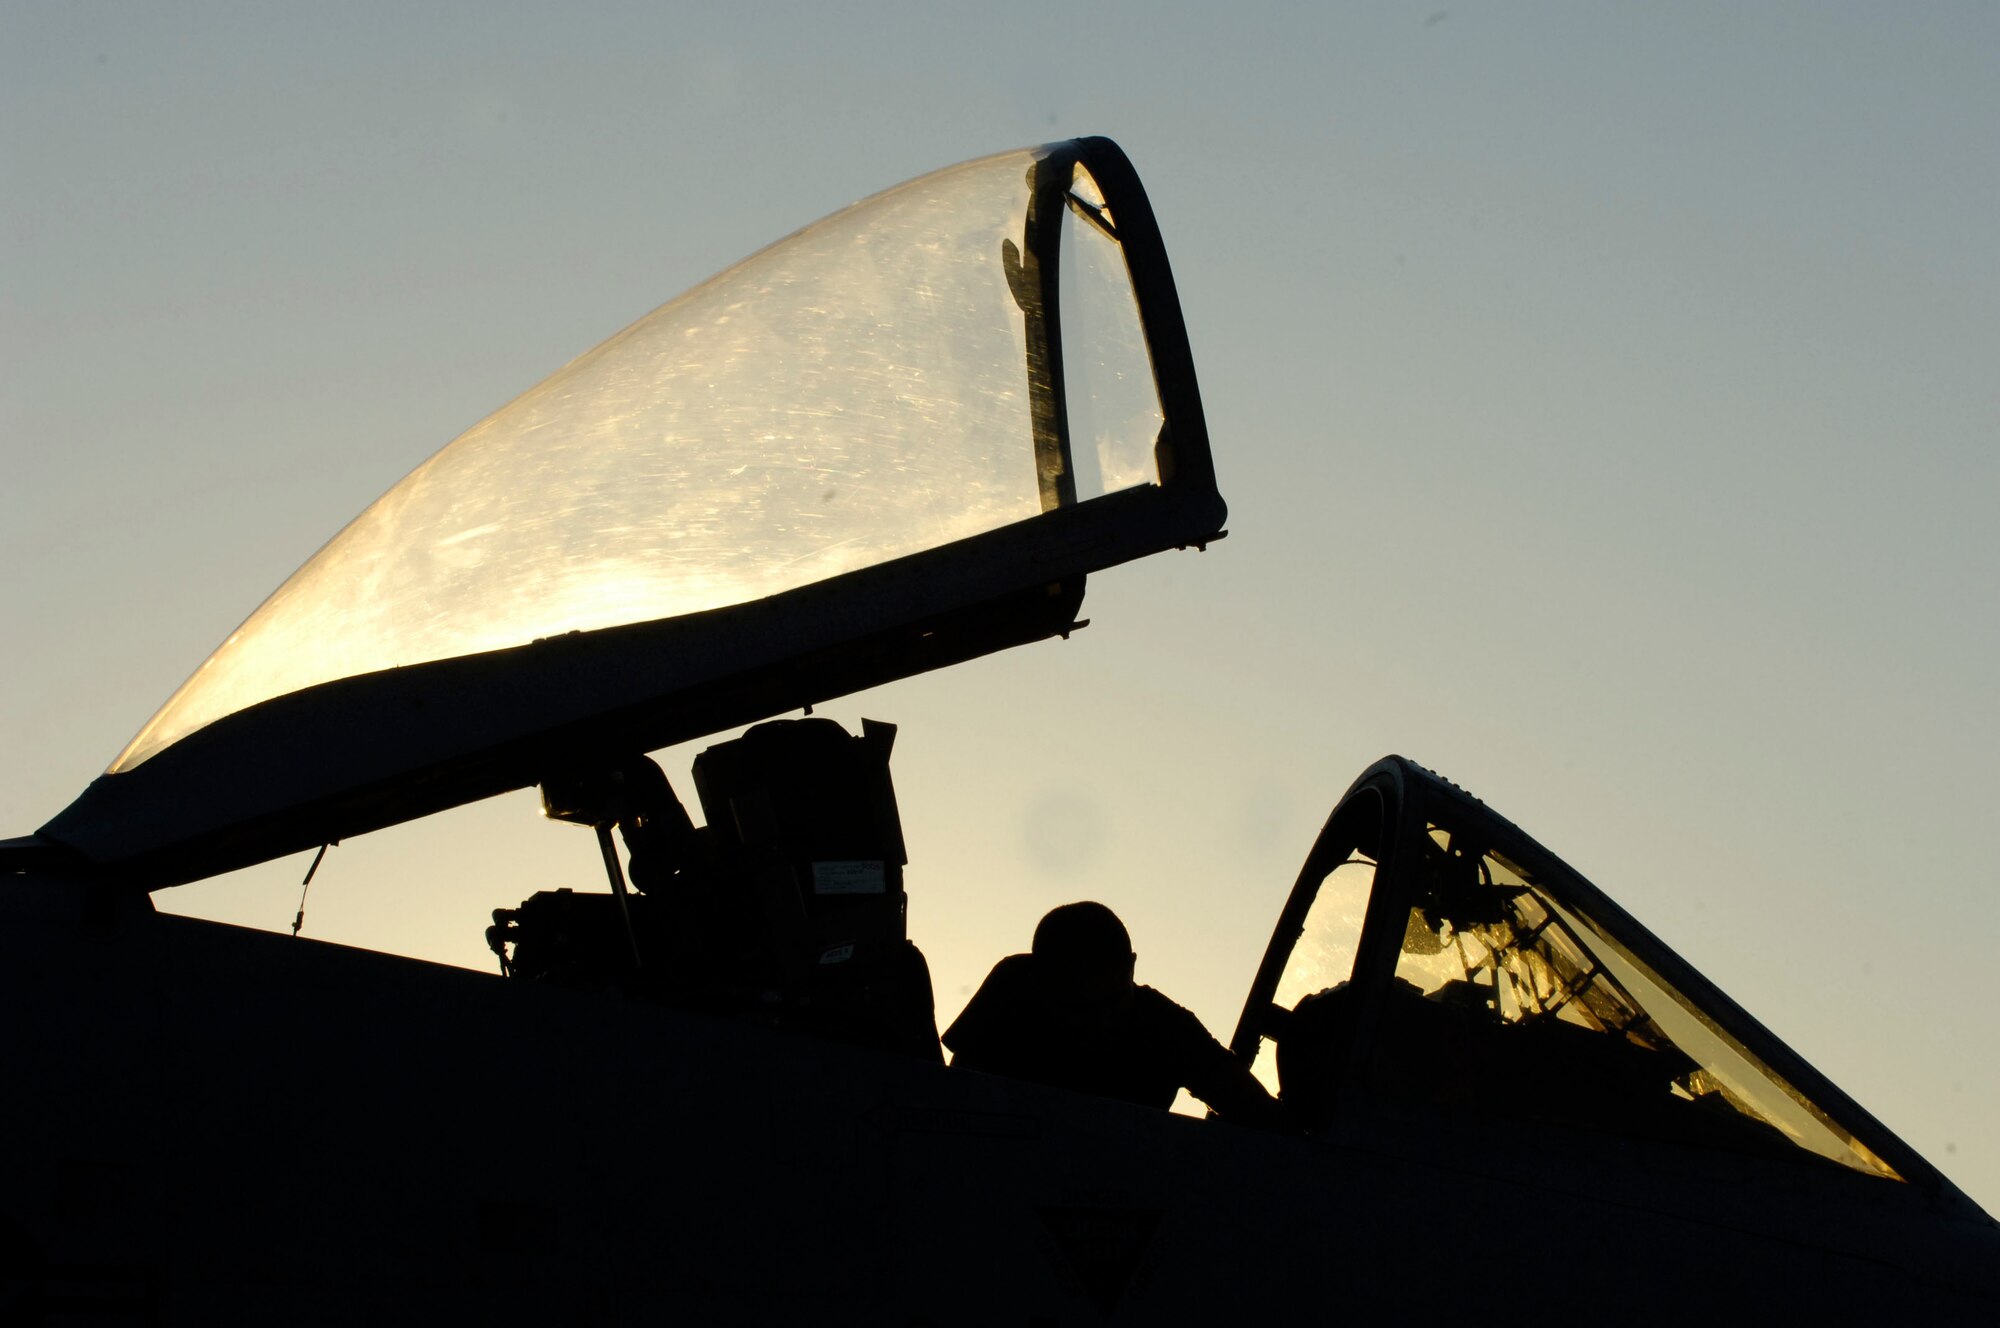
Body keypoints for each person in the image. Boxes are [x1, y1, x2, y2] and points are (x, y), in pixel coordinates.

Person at [943, 902, 1284, 1127]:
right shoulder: (1012, 987)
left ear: (1133, 967)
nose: (1100, 1023)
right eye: (1080, 1009)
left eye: (1114, 1002)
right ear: (1039, 982)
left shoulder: (1166, 1027)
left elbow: (1259, 1115)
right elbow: (949, 1102)